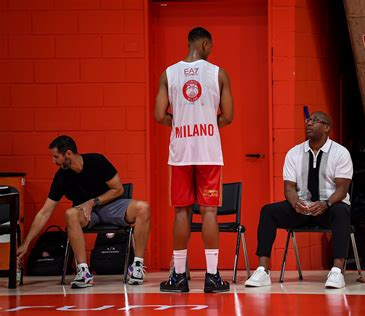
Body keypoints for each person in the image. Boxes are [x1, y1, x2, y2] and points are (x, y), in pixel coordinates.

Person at [155, 27, 234, 293]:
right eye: (211, 46)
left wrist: (181, 124)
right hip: (209, 150)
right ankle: (212, 277)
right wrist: (207, 125)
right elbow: (228, 116)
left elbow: (159, 115)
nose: (212, 51)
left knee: (181, 211)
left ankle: (179, 277)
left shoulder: (168, 73)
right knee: (209, 211)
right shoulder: (218, 73)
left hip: (181, 151)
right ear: (204, 44)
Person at [16, 135, 151, 288]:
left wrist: (93, 202)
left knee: (143, 208)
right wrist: (26, 243)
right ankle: (84, 272)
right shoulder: (61, 177)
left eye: (56, 157)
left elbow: (118, 189)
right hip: (86, 214)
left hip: (109, 205)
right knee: (70, 214)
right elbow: (44, 212)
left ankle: (137, 266)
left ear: (68, 154)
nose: (54, 161)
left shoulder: (97, 161)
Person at [245, 112, 353, 289]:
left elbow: (342, 189)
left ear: (326, 127)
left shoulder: (340, 153)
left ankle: (337, 271)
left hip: (329, 208)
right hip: (302, 208)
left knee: (341, 211)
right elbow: (289, 187)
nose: (309, 123)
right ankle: (263, 270)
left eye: (315, 121)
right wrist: (296, 203)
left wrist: (326, 204)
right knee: (268, 211)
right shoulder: (294, 153)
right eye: (308, 120)